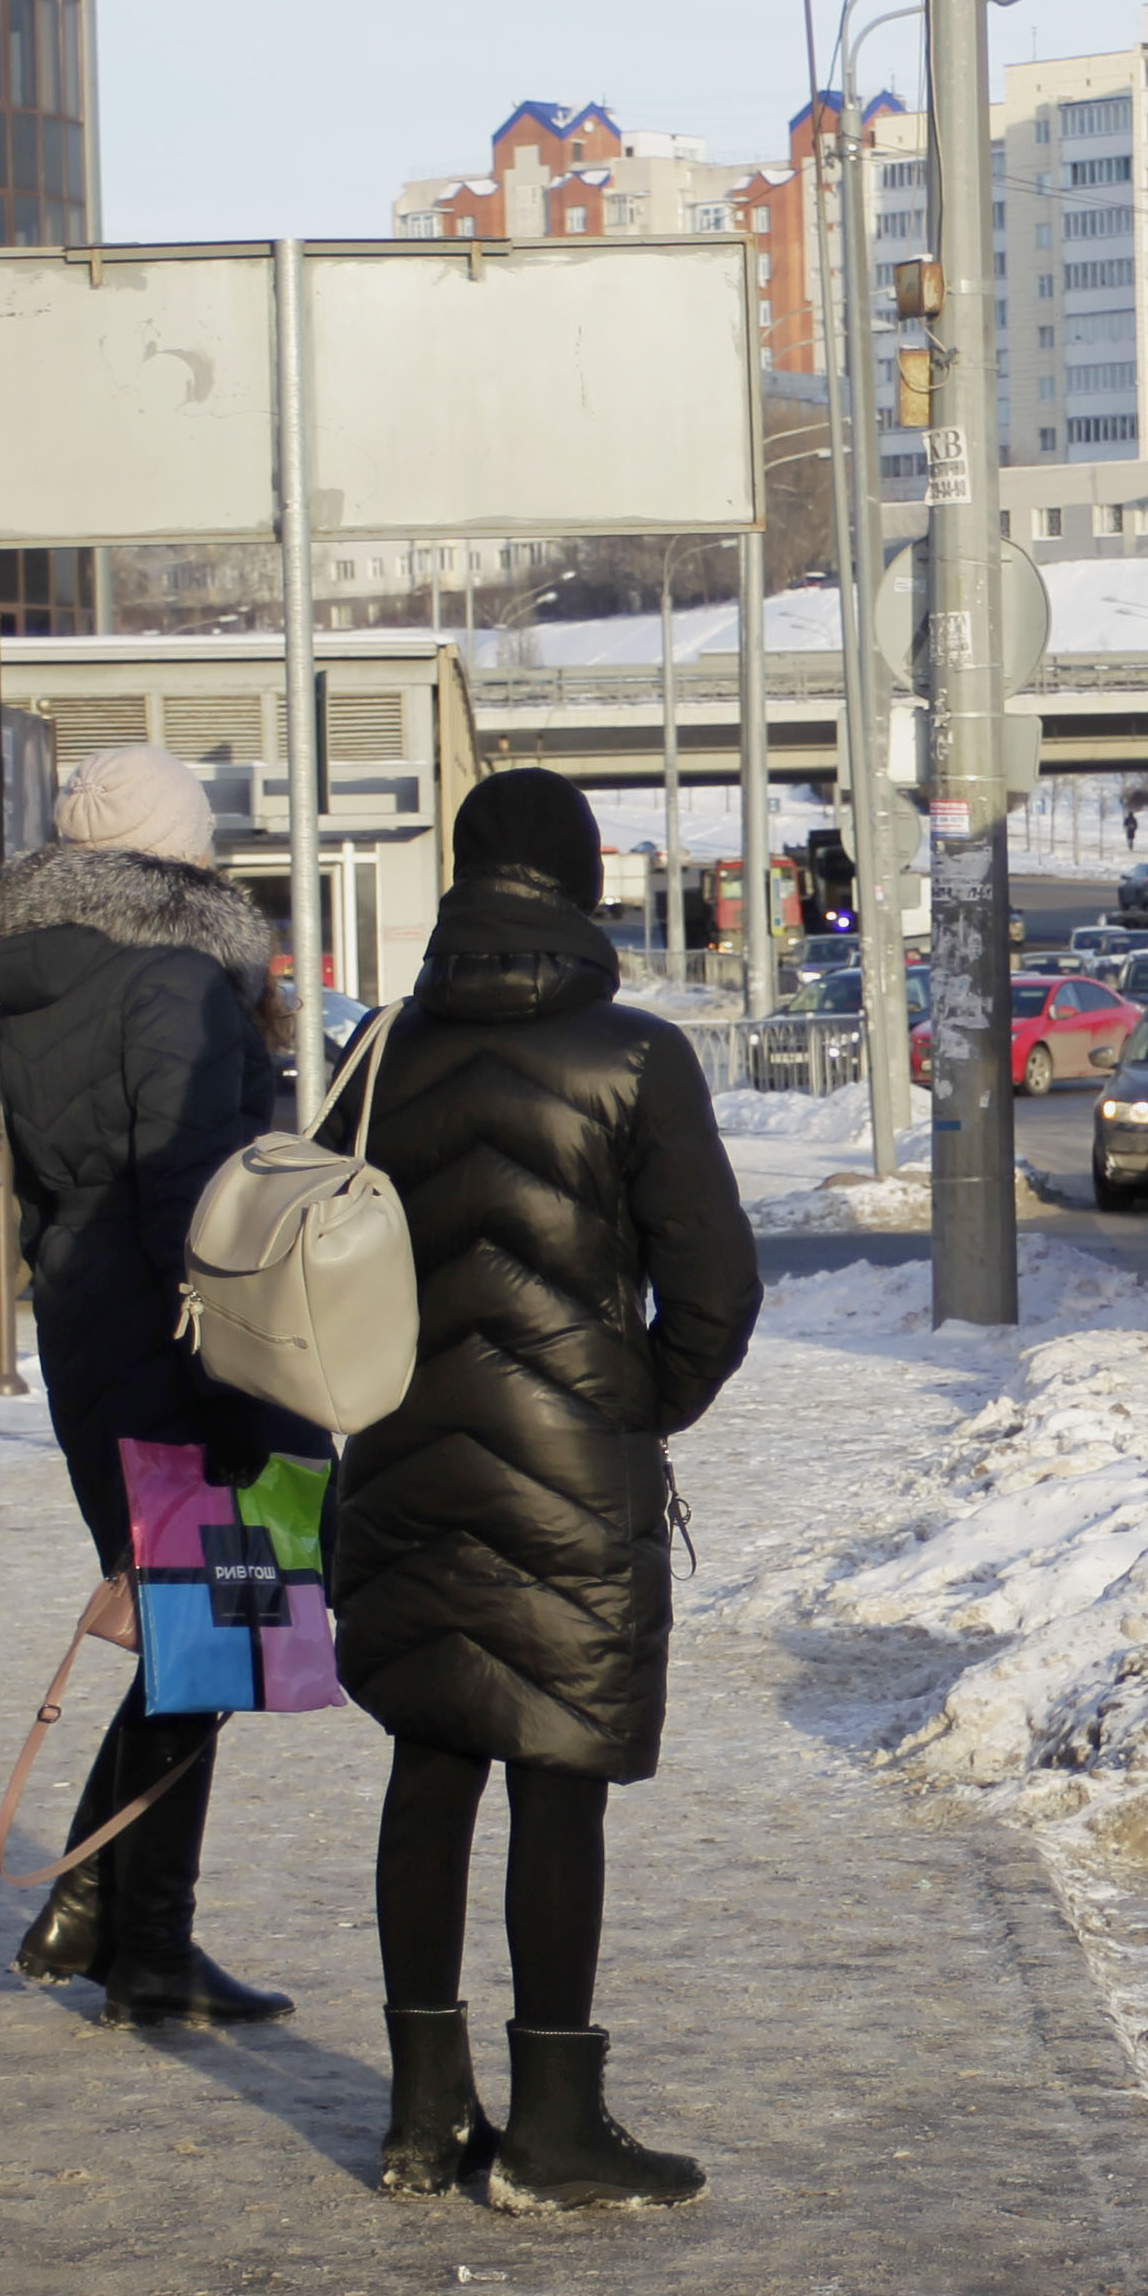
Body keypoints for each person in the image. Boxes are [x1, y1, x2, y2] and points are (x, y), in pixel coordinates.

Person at [333, 767, 753, 2213]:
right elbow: (712, 1289)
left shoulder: (376, 1053)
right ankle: (554, 2128)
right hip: (570, 1468)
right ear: (580, 886)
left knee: (430, 1756)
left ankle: (420, 2115)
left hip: (393, 1451)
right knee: (558, 1775)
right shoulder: (633, 1057)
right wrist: (632, 1407)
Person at [0, 742, 309, 2028]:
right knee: (218, 1637)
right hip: (186, 1340)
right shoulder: (177, 978)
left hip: (92, 1330)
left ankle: (91, 1911)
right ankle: (148, 1949)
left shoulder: (42, 986)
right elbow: (194, 1192)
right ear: (180, 856)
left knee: (198, 1632)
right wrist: (238, 1371)